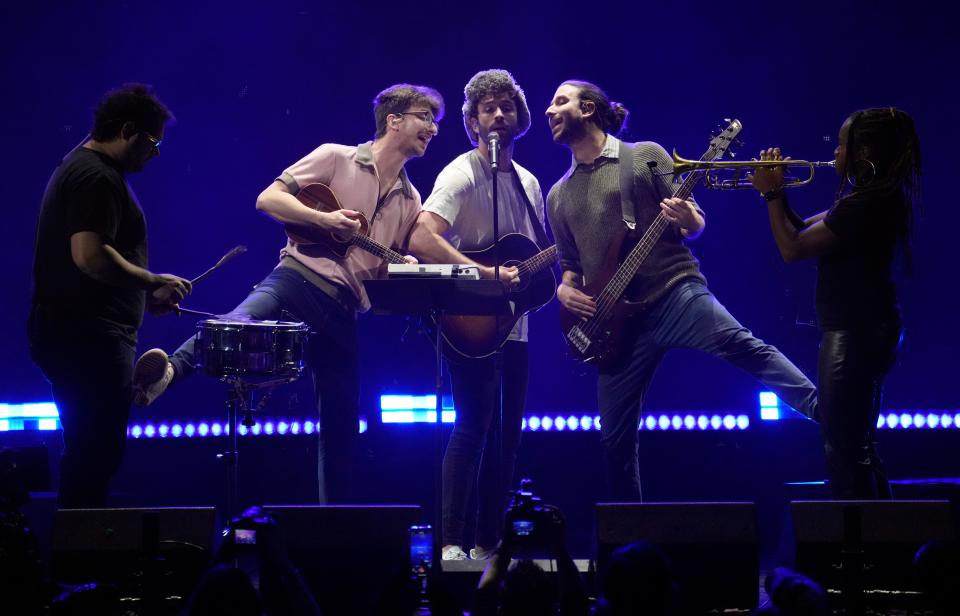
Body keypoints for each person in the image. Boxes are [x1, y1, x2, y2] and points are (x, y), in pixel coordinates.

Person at [133, 83, 443, 504]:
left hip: (343, 309)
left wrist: (402, 268)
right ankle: (162, 377)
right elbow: (268, 199)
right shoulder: (336, 157)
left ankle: (333, 523)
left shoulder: (411, 200)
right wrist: (325, 219)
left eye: (434, 121)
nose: (433, 128)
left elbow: (382, 270)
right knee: (237, 321)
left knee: (342, 421)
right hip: (298, 278)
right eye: (425, 117)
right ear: (393, 121)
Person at [544, 80, 818, 500]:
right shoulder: (558, 196)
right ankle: (629, 544)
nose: (549, 110)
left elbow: (695, 223)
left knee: (744, 346)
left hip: (674, 291)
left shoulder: (643, 157)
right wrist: (564, 292)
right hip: (617, 326)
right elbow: (570, 268)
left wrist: (687, 218)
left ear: (588, 109)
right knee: (614, 440)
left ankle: (831, 416)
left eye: (560, 101)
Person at [28, 84, 191, 508]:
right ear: (127, 131)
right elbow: (90, 256)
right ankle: (77, 568)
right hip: (88, 338)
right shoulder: (96, 176)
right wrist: (151, 281)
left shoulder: (84, 169)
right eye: (152, 143)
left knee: (91, 451)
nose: (155, 154)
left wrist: (142, 293)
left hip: (80, 334)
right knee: (94, 454)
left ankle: (77, 563)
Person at [749, 107, 922, 499]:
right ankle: (877, 541)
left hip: (855, 332)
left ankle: (859, 549)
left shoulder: (870, 203)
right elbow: (803, 229)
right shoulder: (869, 198)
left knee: (843, 449)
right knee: (857, 446)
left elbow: (792, 249)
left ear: (865, 152)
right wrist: (777, 193)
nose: (835, 152)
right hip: (865, 327)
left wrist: (772, 194)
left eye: (843, 144)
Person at [408, 69, 545, 560]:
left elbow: (536, 257)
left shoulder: (530, 184)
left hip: (515, 326)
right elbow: (422, 237)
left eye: (506, 106)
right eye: (487, 108)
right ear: (471, 121)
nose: (498, 115)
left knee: (508, 436)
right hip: (467, 321)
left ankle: (490, 543)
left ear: (519, 116)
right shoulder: (461, 171)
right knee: (473, 424)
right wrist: (484, 276)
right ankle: (449, 542)